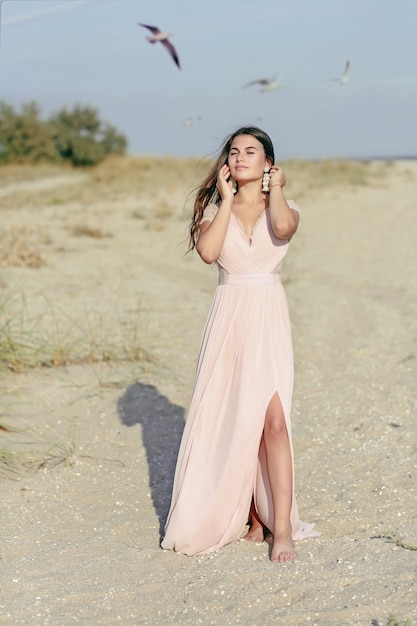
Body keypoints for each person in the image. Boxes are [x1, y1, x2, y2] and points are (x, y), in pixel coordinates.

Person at [161, 126, 318, 563]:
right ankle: (252, 517)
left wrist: (278, 188)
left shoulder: (284, 207)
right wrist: (227, 201)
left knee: (273, 422)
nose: (240, 157)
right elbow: (210, 254)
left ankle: (281, 527)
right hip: (229, 319)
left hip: (268, 316)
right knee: (235, 419)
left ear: (268, 162)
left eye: (251, 151)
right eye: (234, 152)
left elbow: (284, 228)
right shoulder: (215, 211)